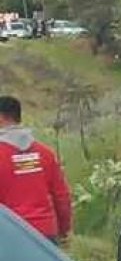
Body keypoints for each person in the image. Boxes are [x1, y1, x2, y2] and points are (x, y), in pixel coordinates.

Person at [0, 96, 72, 243]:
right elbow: (62, 196)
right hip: (45, 234)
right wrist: (64, 229)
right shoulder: (45, 153)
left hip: (9, 235)